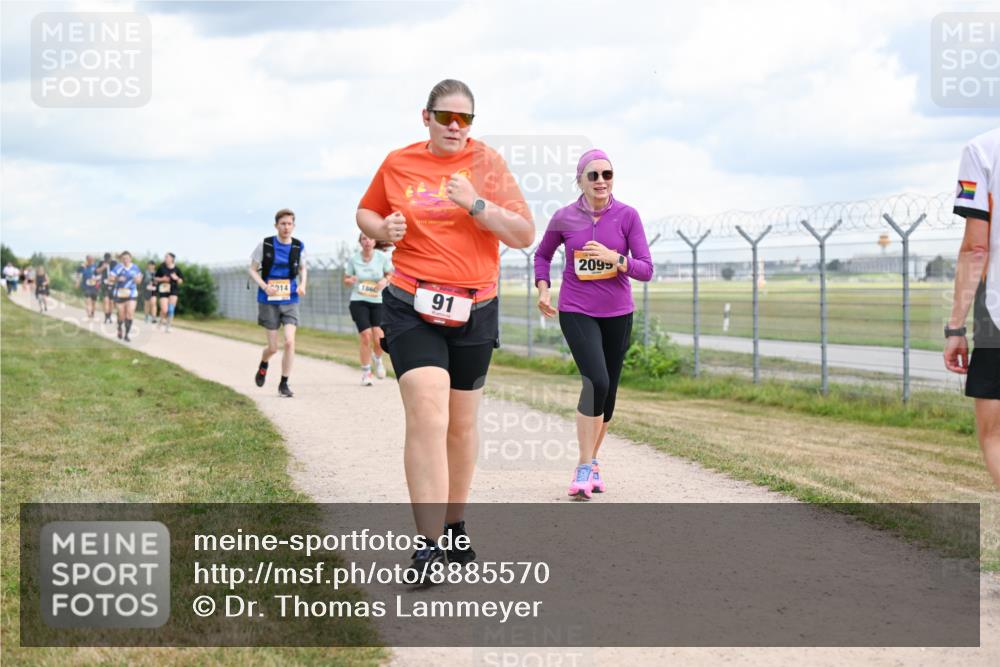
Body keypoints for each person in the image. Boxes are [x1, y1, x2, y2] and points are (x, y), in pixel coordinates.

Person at [357, 79, 533, 577]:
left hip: (476, 307)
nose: (456, 127)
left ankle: (455, 524)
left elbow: (523, 235)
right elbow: (366, 209)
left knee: (461, 425)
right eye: (446, 117)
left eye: (466, 119)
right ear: (426, 117)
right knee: (429, 415)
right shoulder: (399, 163)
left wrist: (477, 203)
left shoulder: (488, 165)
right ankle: (428, 544)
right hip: (411, 302)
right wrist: (380, 230)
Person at [534, 149, 653, 500]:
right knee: (595, 381)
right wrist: (543, 288)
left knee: (609, 394)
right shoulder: (564, 217)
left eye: (607, 174)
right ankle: (584, 465)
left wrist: (616, 259)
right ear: (580, 180)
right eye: (593, 175)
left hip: (618, 313)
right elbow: (542, 255)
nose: (601, 181)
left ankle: (593, 461)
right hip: (576, 310)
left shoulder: (628, 216)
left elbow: (646, 269)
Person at [944, 126, 1000, 490]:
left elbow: (976, 249)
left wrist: (955, 328)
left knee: (994, 432)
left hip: (997, 314)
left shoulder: (983, 149)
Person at [249, 209, 307, 398]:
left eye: (289, 223)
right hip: (269, 300)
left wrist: (303, 284)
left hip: (290, 298)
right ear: (276, 226)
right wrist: (265, 287)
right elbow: (252, 270)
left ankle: (284, 383)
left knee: (290, 342)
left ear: (294, 226)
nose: (286, 227)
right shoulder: (265, 244)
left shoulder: (298, 246)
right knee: (273, 347)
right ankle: (264, 363)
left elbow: (303, 268)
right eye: (283, 224)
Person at [344, 233, 393, 385]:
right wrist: (349, 280)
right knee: (366, 335)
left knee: (379, 339)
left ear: (374, 241)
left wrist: (385, 280)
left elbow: (390, 274)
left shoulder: (381, 257)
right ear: (360, 242)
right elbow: (346, 279)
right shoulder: (354, 259)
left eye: (370, 238)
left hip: (377, 301)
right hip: (359, 300)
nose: (367, 242)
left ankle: (377, 359)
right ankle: (366, 372)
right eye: (364, 239)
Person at [110, 251, 142, 342]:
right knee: (121, 315)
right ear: (121, 259)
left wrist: (137, 280)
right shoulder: (118, 267)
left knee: (130, 313)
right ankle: (119, 327)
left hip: (131, 294)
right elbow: (110, 278)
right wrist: (117, 279)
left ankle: (127, 335)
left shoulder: (135, 268)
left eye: (127, 258)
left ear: (130, 258)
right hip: (120, 294)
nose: (125, 260)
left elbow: (139, 280)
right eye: (124, 258)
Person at [155, 252, 185, 332]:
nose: (165, 258)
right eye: (165, 257)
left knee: (171, 309)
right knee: (164, 309)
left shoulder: (177, 269)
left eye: (167, 257)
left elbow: (181, 281)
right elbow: (155, 278)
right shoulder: (161, 268)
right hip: (164, 289)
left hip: (173, 290)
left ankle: (168, 326)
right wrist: (162, 279)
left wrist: (176, 278)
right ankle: (161, 321)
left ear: (172, 259)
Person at [98, 253, 117, 324]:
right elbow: (97, 271)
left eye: (109, 259)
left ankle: (109, 316)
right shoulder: (101, 263)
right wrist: (103, 267)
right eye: (106, 259)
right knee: (106, 300)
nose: (108, 260)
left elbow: (118, 272)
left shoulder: (114, 263)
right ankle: (106, 317)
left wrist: (113, 279)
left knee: (111, 302)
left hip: (112, 284)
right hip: (104, 284)